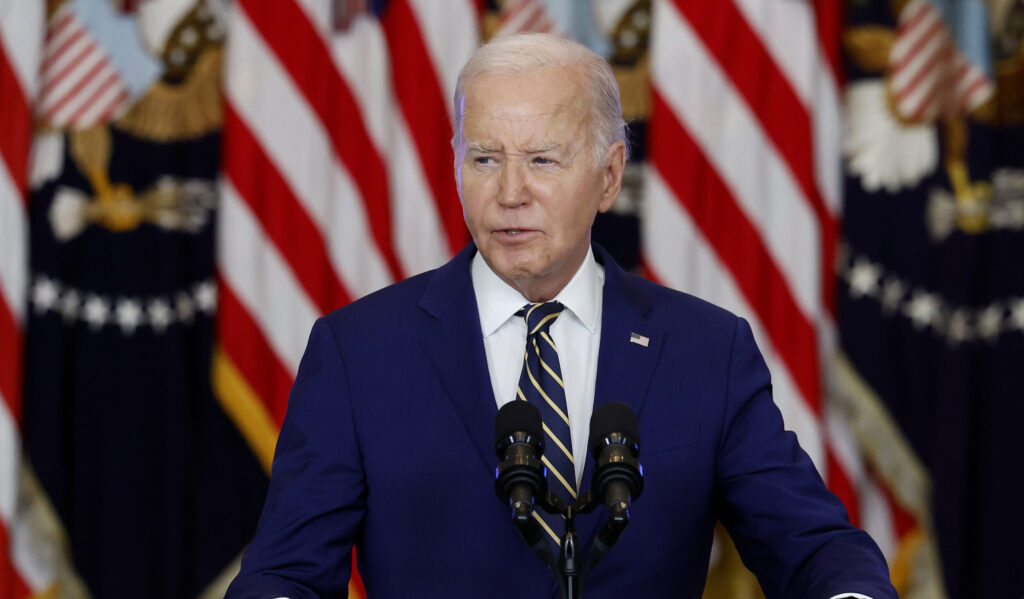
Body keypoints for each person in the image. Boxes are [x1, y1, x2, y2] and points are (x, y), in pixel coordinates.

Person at [225, 33, 897, 599]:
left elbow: (811, 543)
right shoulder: (359, 351)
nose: (510, 193)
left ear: (609, 176)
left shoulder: (705, 349)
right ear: (456, 164)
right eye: (485, 158)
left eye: (542, 160)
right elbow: (286, 571)